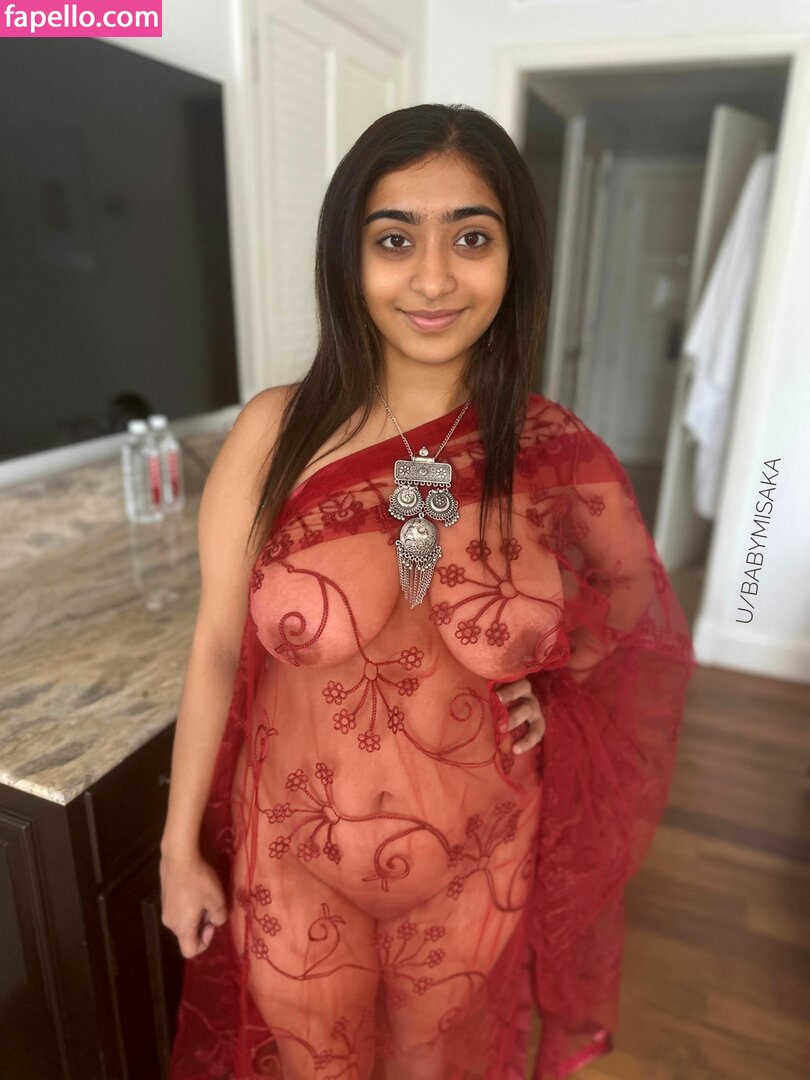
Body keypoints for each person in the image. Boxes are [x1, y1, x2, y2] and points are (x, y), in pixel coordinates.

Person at [160, 103, 697, 1080]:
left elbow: (638, 611)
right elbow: (215, 647)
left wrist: (557, 684)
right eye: (396, 239)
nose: (436, 278)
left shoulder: (548, 452)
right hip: (294, 861)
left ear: (514, 258)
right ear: (348, 258)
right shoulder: (275, 435)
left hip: (477, 863)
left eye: (473, 239)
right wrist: (176, 848)